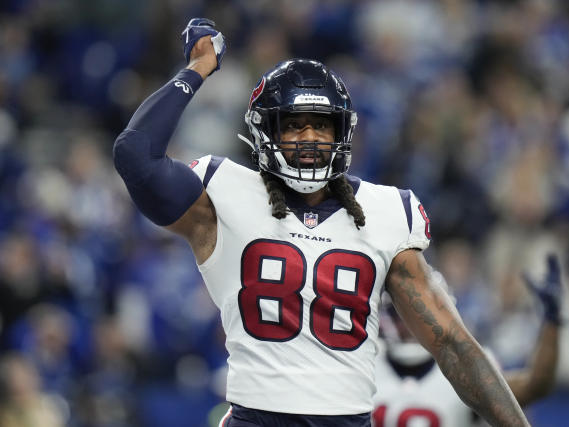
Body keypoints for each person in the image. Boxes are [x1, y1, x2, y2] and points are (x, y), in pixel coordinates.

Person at [113, 18, 531, 426]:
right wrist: (198, 67)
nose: (310, 137)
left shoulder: (385, 211)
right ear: (264, 132)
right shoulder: (224, 192)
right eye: (293, 126)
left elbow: (453, 345)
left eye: (321, 124)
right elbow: (136, 155)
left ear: (343, 132)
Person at [374, 256, 562, 426]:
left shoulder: (463, 364)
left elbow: (536, 385)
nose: (412, 324)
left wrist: (551, 324)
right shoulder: (369, 360)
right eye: (402, 314)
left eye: (423, 313)